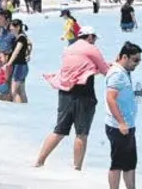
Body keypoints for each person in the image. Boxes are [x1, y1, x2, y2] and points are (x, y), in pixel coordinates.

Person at [36, 26, 109, 170]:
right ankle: (77, 168)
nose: (94, 41)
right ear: (89, 36)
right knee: (81, 133)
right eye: (94, 38)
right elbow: (105, 70)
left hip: (64, 92)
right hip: (83, 93)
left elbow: (77, 68)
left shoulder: (68, 49)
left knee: (59, 130)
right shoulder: (91, 49)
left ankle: (39, 161)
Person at [104, 42, 142, 189]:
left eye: (139, 60)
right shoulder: (118, 74)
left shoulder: (124, 72)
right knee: (117, 163)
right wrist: (121, 122)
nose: (137, 64)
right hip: (118, 126)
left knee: (130, 162)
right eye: (135, 60)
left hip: (128, 124)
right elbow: (111, 99)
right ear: (124, 57)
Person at [3, 18, 32, 104]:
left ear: (18, 27)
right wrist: (28, 54)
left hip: (19, 66)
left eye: (12, 27)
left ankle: (18, 109)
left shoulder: (21, 38)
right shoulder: (21, 37)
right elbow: (30, 44)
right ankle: (25, 109)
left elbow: (16, 51)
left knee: (14, 92)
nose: (10, 29)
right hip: (22, 66)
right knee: (21, 91)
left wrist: (9, 63)